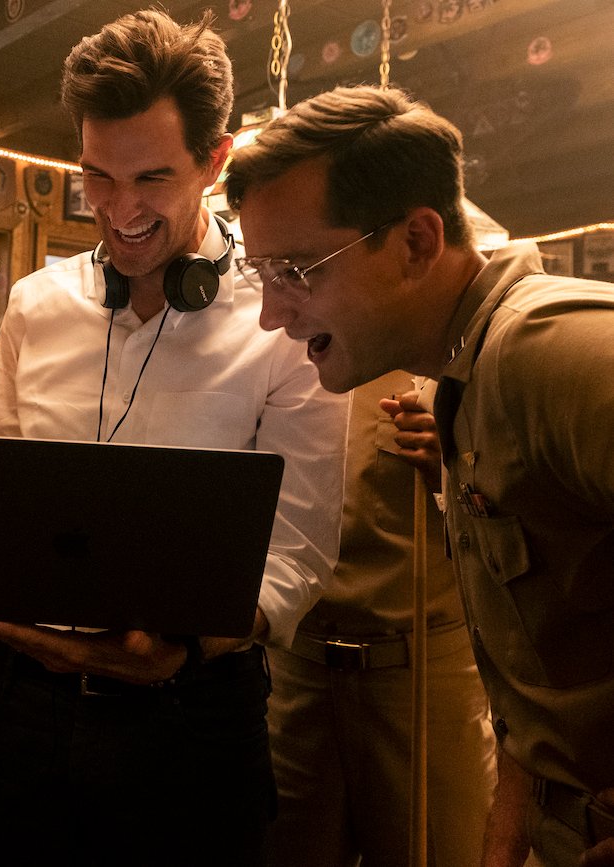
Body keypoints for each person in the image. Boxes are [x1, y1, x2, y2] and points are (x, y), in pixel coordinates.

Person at [0, 10, 348, 864]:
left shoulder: (281, 318)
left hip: (192, 724)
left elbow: (300, 546)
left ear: (215, 160)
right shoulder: (35, 305)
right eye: (96, 176)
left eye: (152, 179)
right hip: (17, 713)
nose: (119, 211)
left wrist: (191, 643)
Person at [226, 84, 614, 867]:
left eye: (297, 269)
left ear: (416, 242)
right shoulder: (468, 381)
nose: (271, 314)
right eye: (259, 271)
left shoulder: (545, 351)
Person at [265, 371, 496, 867]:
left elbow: (527, 520)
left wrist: (452, 469)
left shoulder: (448, 363)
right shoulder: (277, 358)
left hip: (424, 679)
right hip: (290, 673)